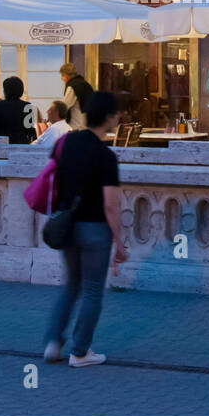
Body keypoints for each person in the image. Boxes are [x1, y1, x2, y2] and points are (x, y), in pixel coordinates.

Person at [43, 91, 127, 368]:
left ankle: (53, 343)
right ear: (109, 117)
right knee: (92, 290)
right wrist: (120, 242)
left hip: (67, 225)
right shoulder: (106, 156)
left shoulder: (67, 142)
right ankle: (80, 352)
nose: (119, 118)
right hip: (95, 230)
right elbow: (111, 206)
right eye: (116, 114)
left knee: (71, 285)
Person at [0, 76, 37, 145]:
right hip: (22, 144)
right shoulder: (29, 106)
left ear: (6, 90)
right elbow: (31, 131)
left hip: (3, 144)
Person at [59, 63, 94, 131]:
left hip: (77, 124)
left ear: (66, 76)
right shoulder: (86, 84)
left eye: (62, 76)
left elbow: (65, 105)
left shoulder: (72, 86)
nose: (62, 79)